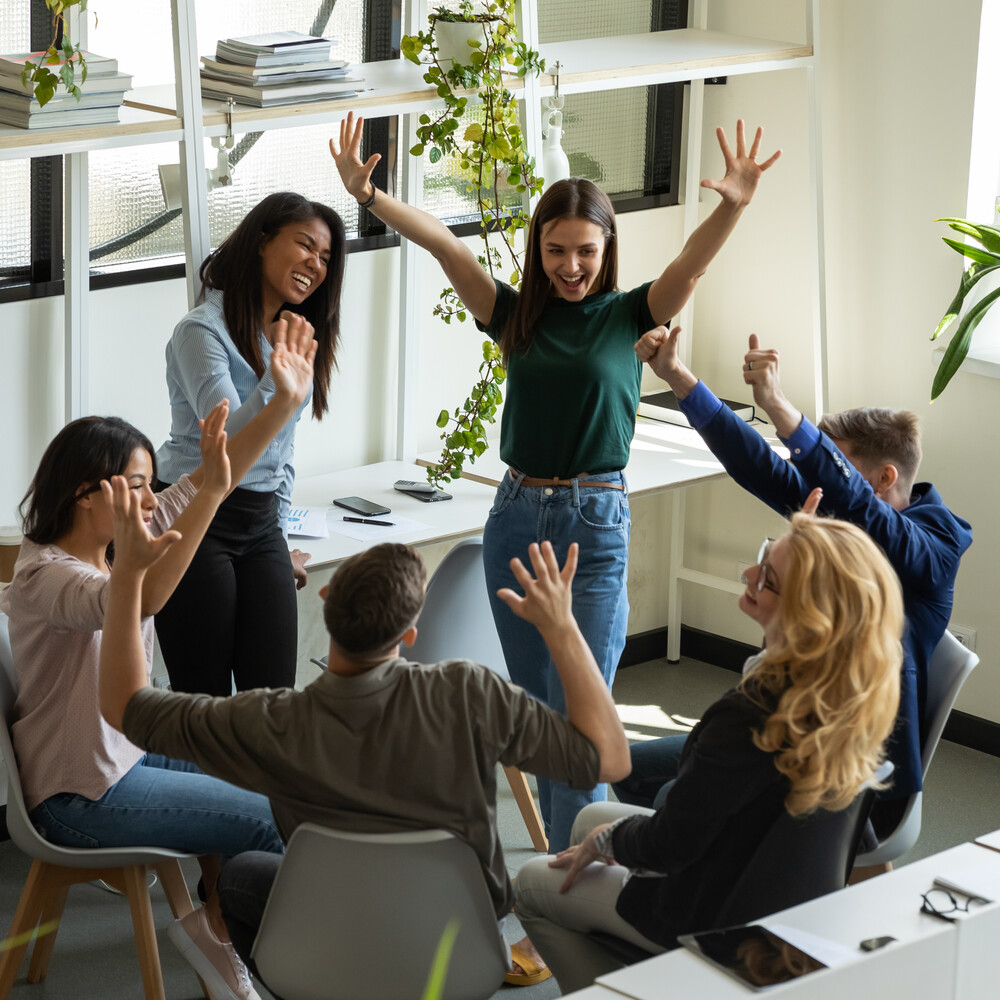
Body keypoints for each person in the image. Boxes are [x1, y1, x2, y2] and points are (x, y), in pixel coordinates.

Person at [329, 111, 781, 856]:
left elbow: (691, 268)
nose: (571, 266)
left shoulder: (632, 312)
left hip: (592, 524)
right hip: (515, 518)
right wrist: (369, 199)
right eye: (556, 250)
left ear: (606, 253)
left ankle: (586, 870)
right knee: (543, 714)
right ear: (539, 251)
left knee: (583, 712)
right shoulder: (513, 317)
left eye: (586, 252)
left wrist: (731, 204)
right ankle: (572, 869)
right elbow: (444, 244)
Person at [95, 472, 631, 997]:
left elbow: (124, 706)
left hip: (327, 939)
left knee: (240, 875)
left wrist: (127, 578)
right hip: (458, 949)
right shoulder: (470, 693)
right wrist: (561, 629)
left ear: (327, 602)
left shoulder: (272, 720)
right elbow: (609, 760)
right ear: (410, 633)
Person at [0, 317, 317, 1000]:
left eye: (148, 483)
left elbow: (216, 478)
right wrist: (195, 504)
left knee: (271, 771)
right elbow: (136, 600)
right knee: (270, 817)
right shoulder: (47, 577)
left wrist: (282, 402)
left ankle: (223, 933)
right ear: (87, 495)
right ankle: (281, 962)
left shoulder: (115, 551)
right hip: (80, 795)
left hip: (128, 756)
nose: (149, 498)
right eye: (136, 486)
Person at [514, 514, 905, 994]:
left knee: (531, 885)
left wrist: (609, 841)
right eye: (763, 557)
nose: (748, 574)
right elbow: (858, 842)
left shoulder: (750, 716)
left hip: (715, 925)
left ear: (807, 617)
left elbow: (670, 844)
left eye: (768, 577)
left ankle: (638, 988)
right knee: (591, 816)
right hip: (775, 908)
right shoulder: (849, 700)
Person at [616, 327, 972, 833]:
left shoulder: (935, 546)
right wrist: (677, 376)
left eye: (836, 462)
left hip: (859, 774)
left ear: (885, 477)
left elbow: (873, 517)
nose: (819, 479)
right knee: (632, 772)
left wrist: (782, 408)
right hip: (786, 732)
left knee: (679, 796)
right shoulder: (834, 508)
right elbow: (754, 463)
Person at [154, 191, 347, 696]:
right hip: (195, 514)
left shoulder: (293, 337)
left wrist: (279, 538)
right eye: (305, 245)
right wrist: (277, 387)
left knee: (275, 700)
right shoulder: (201, 330)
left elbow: (280, 456)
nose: (315, 263)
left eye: (326, 257)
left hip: (260, 522)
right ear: (262, 242)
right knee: (204, 701)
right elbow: (228, 447)